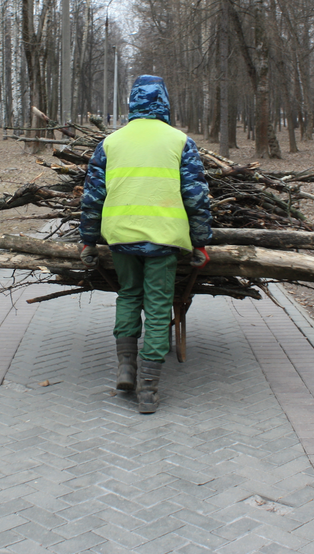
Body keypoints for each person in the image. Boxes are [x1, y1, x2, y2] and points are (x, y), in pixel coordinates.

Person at [79, 75, 213, 414]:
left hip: (121, 235)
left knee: (128, 295)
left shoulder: (111, 142)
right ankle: (149, 389)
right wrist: (200, 242)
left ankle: (126, 368)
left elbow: (92, 197)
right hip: (164, 238)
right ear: (164, 102)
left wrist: (88, 241)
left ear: (132, 103)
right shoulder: (180, 141)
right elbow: (196, 197)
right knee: (157, 305)